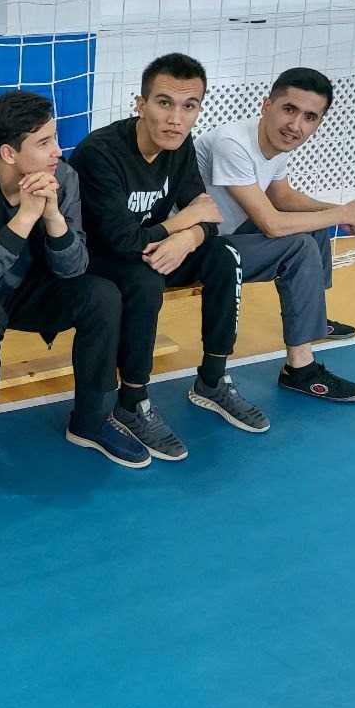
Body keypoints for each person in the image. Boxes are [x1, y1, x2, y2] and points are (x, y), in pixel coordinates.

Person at [0, 90, 150, 507]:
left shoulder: (65, 177)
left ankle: (90, 420)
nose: (57, 150)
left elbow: (74, 269)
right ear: (9, 153)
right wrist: (25, 216)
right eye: (44, 143)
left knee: (101, 294)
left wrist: (53, 216)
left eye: (54, 138)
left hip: (26, 286)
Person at [70, 53, 265, 462]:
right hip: (97, 260)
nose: (176, 119)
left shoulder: (180, 145)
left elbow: (207, 214)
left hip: (154, 249)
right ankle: (132, 402)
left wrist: (188, 237)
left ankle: (212, 380)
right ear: (141, 105)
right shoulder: (99, 153)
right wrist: (181, 225)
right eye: (164, 103)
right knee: (144, 278)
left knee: (224, 254)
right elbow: (120, 240)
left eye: (189, 106)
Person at [194, 67, 355, 402]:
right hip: (195, 248)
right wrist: (343, 213)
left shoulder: (274, 143)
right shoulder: (232, 143)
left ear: (319, 123)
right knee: (298, 245)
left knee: (313, 223)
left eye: (309, 117)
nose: (295, 125)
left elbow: (282, 197)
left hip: (226, 234)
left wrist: (340, 211)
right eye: (289, 109)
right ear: (267, 106)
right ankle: (300, 369)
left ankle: (313, 318)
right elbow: (272, 224)